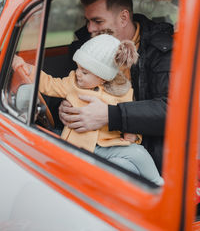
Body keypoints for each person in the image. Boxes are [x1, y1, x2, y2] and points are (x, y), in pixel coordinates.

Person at [13, 33, 163, 185]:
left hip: (108, 145)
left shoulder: (122, 91)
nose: (77, 73)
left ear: (103, 77)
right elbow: (50, 84)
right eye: (77, 67)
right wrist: (28, 70)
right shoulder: (72, 84)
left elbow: (128, 114)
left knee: (138, 153)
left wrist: (131, 133)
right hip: (78, 147)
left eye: (85, 72)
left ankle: (157, 184)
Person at [59, 0, 174, 173]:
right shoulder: (86, 48)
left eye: (97, 21)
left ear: (123, 18)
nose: (89, 28)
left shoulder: (161, 51)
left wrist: (110, 115)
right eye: (87, 21)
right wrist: (64, 107)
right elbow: (66, 85)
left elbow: (172, 111)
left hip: (145, 153)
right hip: (93, 144)